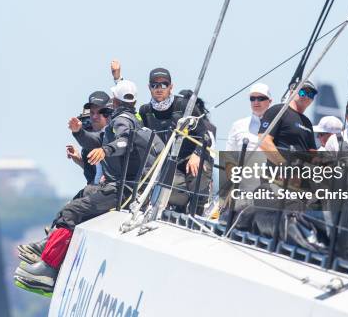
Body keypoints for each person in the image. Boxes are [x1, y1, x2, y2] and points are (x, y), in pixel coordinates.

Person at [14, 80, 143, 293]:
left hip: (122, 189)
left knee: (72, 211)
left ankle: (48, 269)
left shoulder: (122, 121)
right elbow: (98, 140)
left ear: (113, 103)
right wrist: (80, 135)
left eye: (100, 111)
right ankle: (48, 252)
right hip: (117, 186)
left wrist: (106, 150)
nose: (94, 116)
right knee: (73, 205)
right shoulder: (123, 120)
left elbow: (124, 141)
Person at [136, 68, 209, 213]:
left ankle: (196, 213)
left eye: (164, 84)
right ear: (149, 87)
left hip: (189, 159)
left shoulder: (185, 106)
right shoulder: (144, 111)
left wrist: (197, 154)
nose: (159, 89)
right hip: (164, 162)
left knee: (198, 171)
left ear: (171, 87)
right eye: (154, 85)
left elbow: (204, 135)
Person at [258, 80, 318, 165]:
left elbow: (312, 153)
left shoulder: (307, 122)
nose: (307, 97)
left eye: (311, 95)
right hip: (277, 174)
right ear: (292, 92)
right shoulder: (278, 111)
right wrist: (281, 164)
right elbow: (263, 140)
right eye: (303, 92)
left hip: (299, 175)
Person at [66, 91, 112, 185]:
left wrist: (78, 132)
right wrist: (79, 160)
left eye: (99, 112)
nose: (94, 117)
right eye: (92, 113)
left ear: (107, 113)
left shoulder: (112, 135)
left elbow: (94, 140)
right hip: (93, 189)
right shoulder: (88, 141)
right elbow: (93, 175)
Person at [226, 83, 272, 151]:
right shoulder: (237, 125)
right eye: (252, 98)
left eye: (260, 98)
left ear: (270, 101)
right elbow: (228, 156)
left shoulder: (278, 124)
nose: (256, 102)